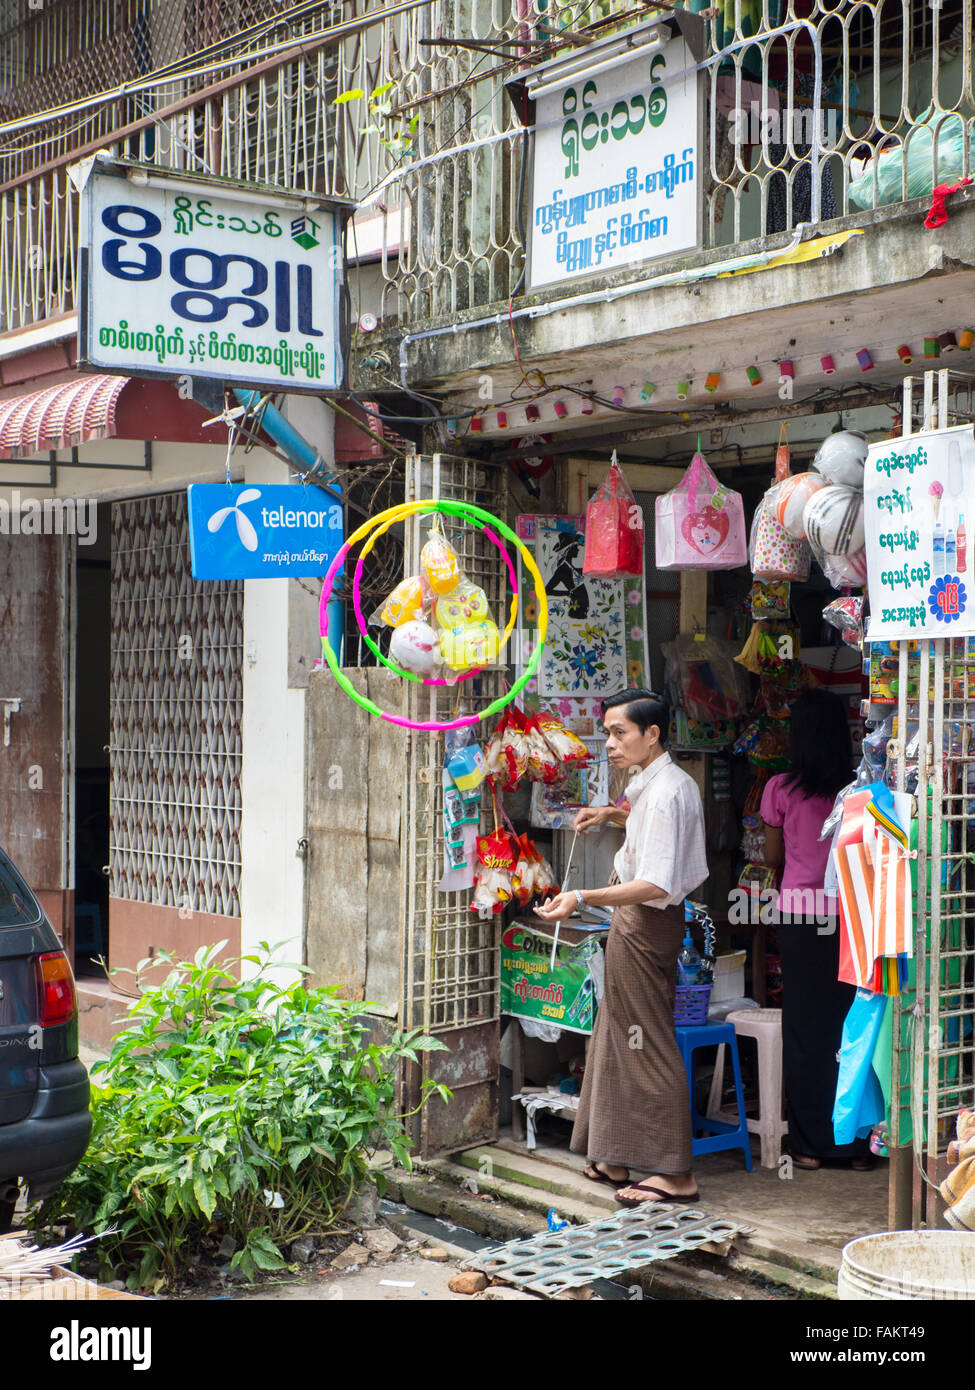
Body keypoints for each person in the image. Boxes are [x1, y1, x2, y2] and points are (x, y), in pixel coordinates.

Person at [535, 688, 708, 1205]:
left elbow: (656, 883)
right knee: (613, 1033)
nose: (609, 743)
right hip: (639, 922)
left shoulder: (665, 792)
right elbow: (653, 833)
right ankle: (611, 1156)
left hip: (646, 921)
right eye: (608, 732)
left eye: (619, 733)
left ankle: (676, 1175)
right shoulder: (657, 784)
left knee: (644, 1039)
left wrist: (581, 896)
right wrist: (610, 815)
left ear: (652, 734)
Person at [760, 686, 872, 1170]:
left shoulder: (780, 788)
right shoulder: (860, 787)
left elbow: (771, 857)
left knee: (805, 1030)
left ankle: (810, 1144)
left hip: (802, 916)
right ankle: (859, 1143)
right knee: (854, 1025)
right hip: (854, 915)